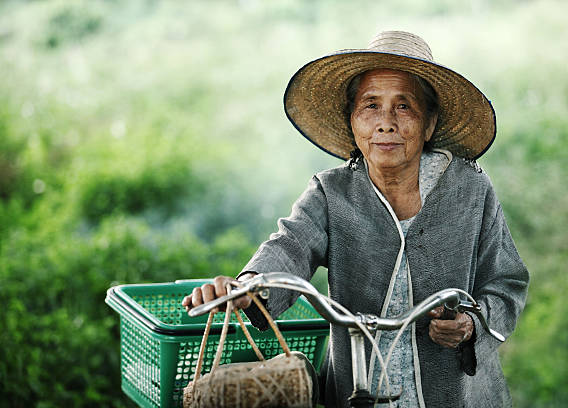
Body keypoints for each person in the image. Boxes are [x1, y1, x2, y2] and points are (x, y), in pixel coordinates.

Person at [182, 31, 529, 407]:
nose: (385, 123)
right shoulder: (331, 192)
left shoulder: (471, 189)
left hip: (456, 394)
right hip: (355, 385)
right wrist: (248, 287)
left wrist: (470, 325)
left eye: (404, 107)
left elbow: (506, 281)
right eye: (370, 106)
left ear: (429, 124)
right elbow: (289, 246)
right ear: (352, 121)